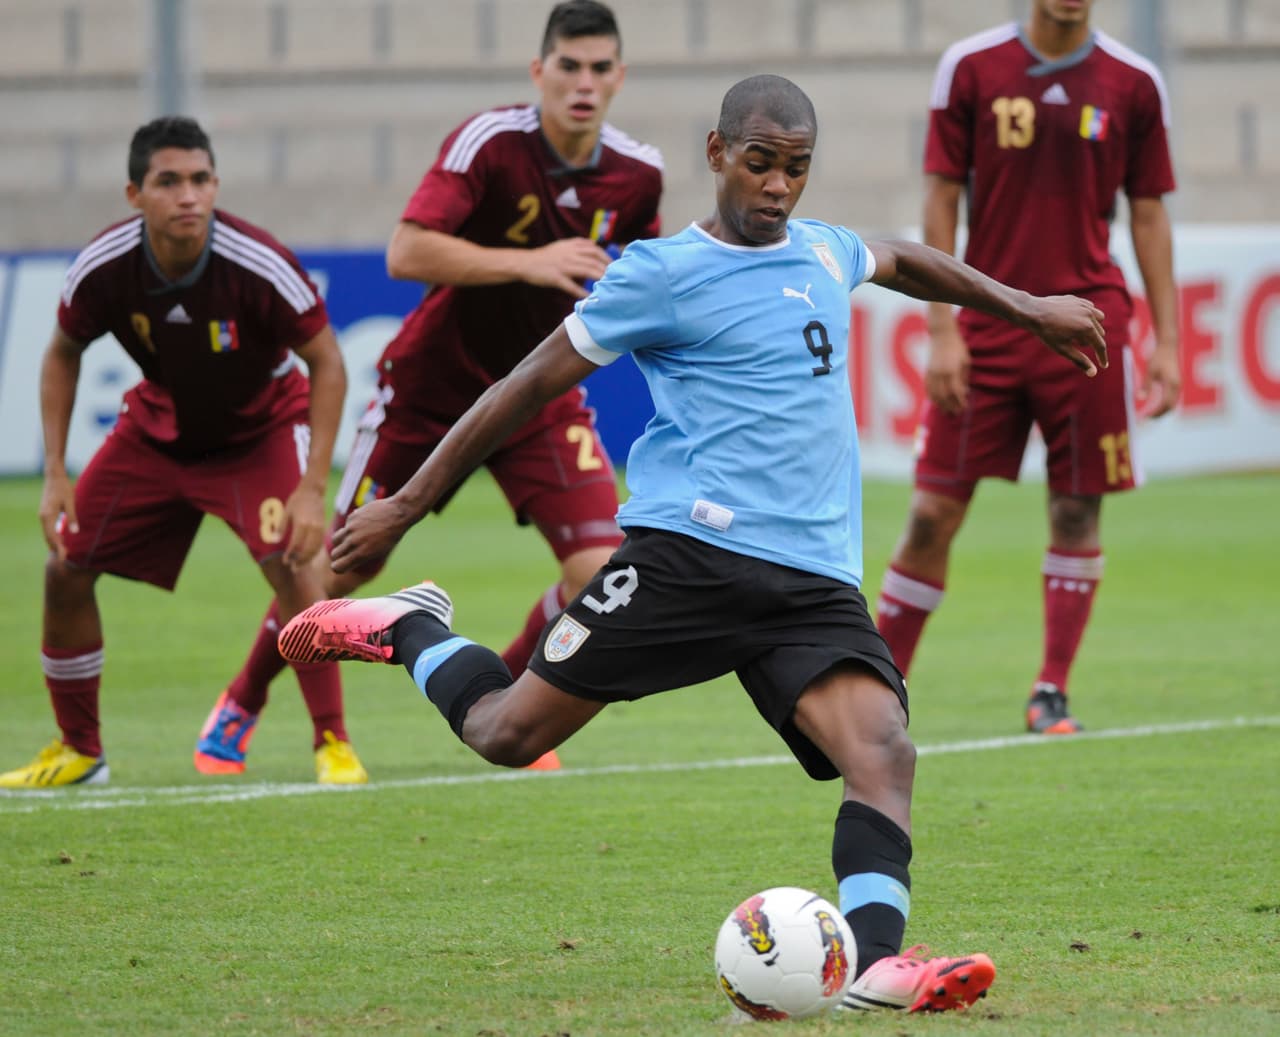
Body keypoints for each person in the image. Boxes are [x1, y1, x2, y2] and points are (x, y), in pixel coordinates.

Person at [276, 75, 1109, 1011]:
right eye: (760, 162)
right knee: (505, 732)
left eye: (796, 167)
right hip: (688, 560)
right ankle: (408, 626)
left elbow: (906, 259)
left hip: (811, 579)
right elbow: (525, 383)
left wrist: (1026, 308)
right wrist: (408, 503)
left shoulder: (824, 250)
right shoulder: (661, 273)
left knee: (884, 750)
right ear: (717, 153)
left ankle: (875, 964)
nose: (777, 185)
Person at [207, 0, 663, 774]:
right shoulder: (490, 143)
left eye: (598, 69)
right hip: (431, 390)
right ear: (539, 72)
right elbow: (406, 251)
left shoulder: (638, 172)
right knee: (342, 568)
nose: (583, 83)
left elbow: (650, 275)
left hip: (539, 394)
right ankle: (244, 696)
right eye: (568, 66)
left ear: (620, 77)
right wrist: (530, 262)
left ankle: (507, 694)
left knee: (598, 573)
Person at [0, 116, 357, 789]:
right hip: (158, 430)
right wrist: (53, 473)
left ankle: (332, 742)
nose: (188, 196)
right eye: (168, 182)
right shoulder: (104, 266)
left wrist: (312, 487)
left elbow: (328, 361)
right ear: (135, 194)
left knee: (294, 565)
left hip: (259, 432)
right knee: (64, 569)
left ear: (216, 184)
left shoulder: (258, 262)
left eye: (200, 179)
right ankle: (80, 750)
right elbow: (62, 351)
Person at [874, 0, 1180, 734]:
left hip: (1087, 320)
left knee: (1076, 509)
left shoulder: (1135, 82)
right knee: (931, 513)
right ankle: (876, 687)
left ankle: (1051, 692)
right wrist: (941, 328)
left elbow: (1147, 213)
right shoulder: (971, 67)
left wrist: (1168, 341)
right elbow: (941, 197)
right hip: (987, 320)